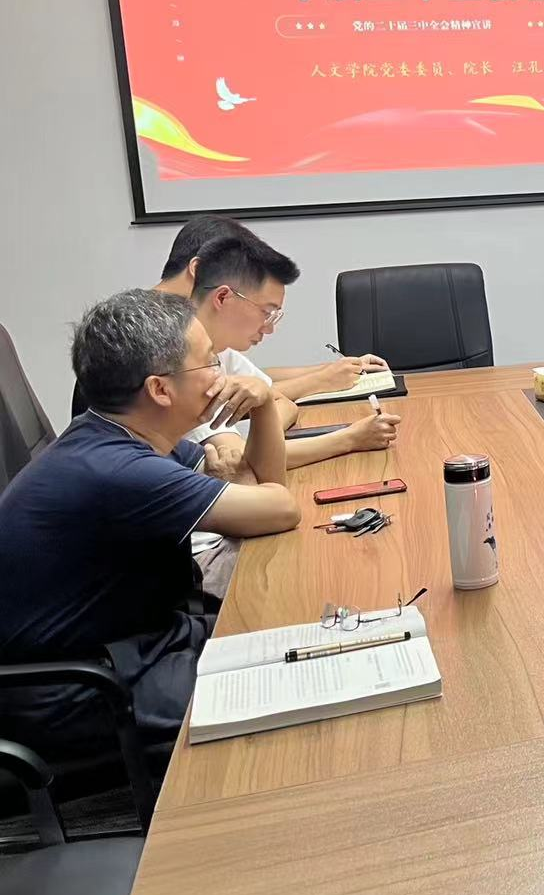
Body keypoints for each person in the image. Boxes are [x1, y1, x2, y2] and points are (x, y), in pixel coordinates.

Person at [0, 290, 300, 767]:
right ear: (161, 390)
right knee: (285, 692)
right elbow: (280, 507)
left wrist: (262, 407)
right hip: (78, 689)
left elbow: (253, 484)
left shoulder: (120, 435)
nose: (222, 376)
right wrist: (263, 408)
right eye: (210, 362)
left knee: (290, 637)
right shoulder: (121, 472)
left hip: (136, 641)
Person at [183, 233, 401, 474]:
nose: (269, 328)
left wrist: (262, 430)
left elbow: (281, 401)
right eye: (267, 312)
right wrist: (351, 439)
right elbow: (243, 462)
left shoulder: (220, 352)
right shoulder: (184, 364)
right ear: (223, 297)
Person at [154, 214, 389, 404]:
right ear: (201, 268)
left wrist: (332, 370)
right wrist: (320, 381)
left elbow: (252, 378)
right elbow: (219, 407)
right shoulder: (155, 333)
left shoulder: (196, 321)